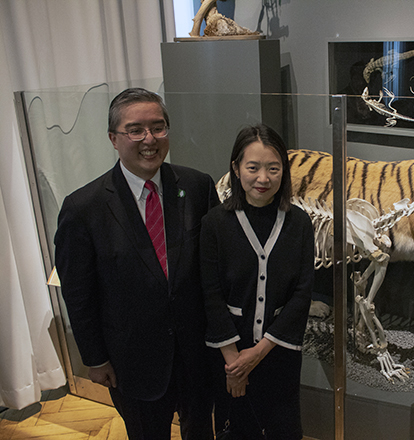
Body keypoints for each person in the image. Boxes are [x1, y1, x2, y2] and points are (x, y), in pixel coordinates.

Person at [54, 88, 219, 439]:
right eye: (135, 130)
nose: (149, 139)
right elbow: (78, 293)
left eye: (158, 128)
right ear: (114, 139)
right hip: (133, 363)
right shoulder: (84, 208)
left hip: (197, 356)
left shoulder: (197, 186)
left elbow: (214, 271)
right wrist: (95, 359)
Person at [201, 124, 314, 440]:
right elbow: (210, 294)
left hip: (279, 352)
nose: (263, 178)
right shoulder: (215, 224)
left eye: (273, 168)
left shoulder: (299, 223)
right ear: (236, 169)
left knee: (284, 428)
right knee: (237, 429)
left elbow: (302, 293)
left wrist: (259, 352)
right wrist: (235, 364)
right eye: (253, 167)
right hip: (229, 354)